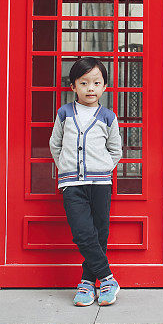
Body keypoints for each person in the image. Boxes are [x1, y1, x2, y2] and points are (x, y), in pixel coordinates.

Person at [49, 57, 122, 307]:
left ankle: (87, 283)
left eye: (96, 83)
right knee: (82, 233)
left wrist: (103, 169)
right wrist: (66, 168)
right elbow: (55, 144)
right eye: (84, 83)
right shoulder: (65, 113)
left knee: (99, 234)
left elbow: (115, 150)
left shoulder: (108, 116)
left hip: (100, 184)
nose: (90, 88)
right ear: (73, 86)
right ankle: (108, 278)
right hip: (72, 184)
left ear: (104, 87)